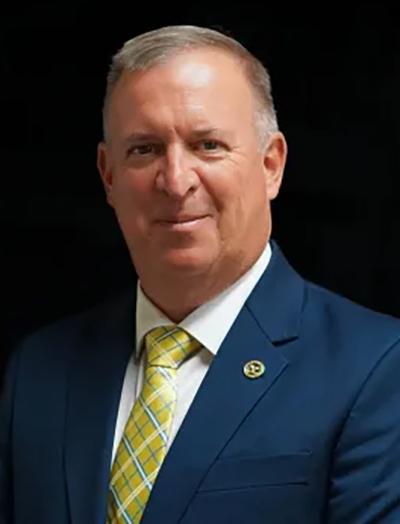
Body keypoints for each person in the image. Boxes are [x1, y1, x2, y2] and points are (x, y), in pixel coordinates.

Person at [1, 24, 400, 524]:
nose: (175, 181)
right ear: (108, 175)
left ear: (271, 165)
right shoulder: (39, 371)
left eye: (208, 145)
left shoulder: (378, 367)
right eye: (144, 149)